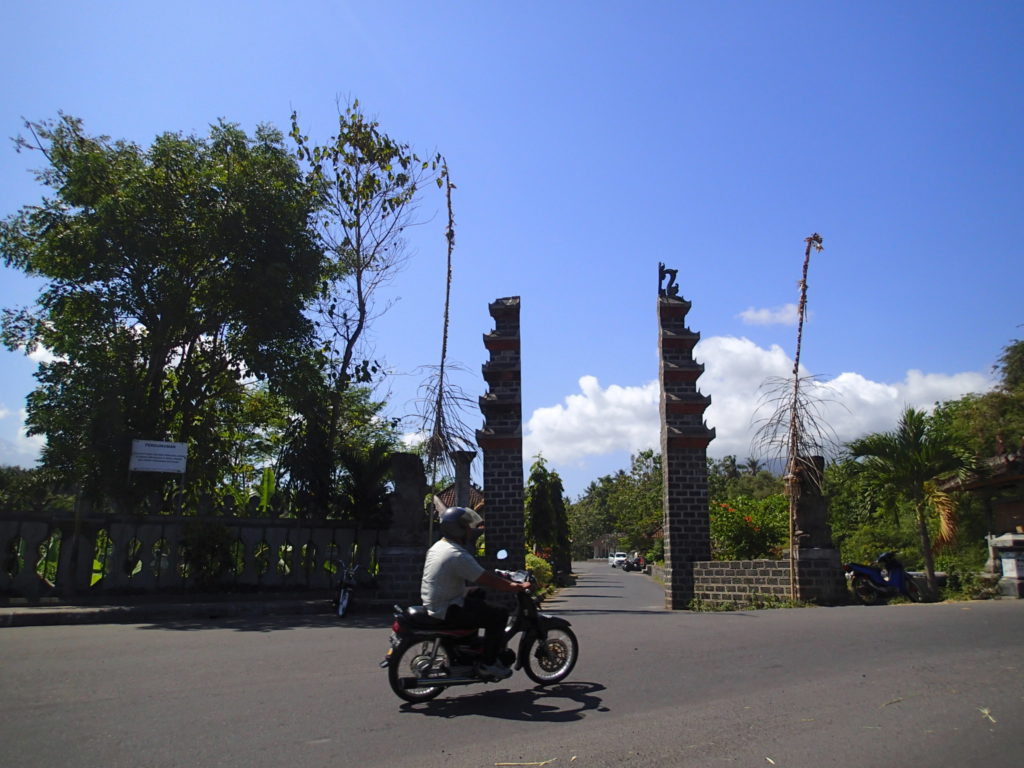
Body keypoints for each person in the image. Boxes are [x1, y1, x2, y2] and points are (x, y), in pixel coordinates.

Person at [420, 506, 530, 680]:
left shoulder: (439, 546)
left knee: (477, 593)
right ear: (457, 529)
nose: (470, 531)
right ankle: (488, 663)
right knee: (499, 614)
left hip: (437, 601)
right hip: (447, 608)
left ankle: (468, 644)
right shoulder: (457, 555)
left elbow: (479, 576)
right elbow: (487, 579)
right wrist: (513, 586)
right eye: (466, 527)